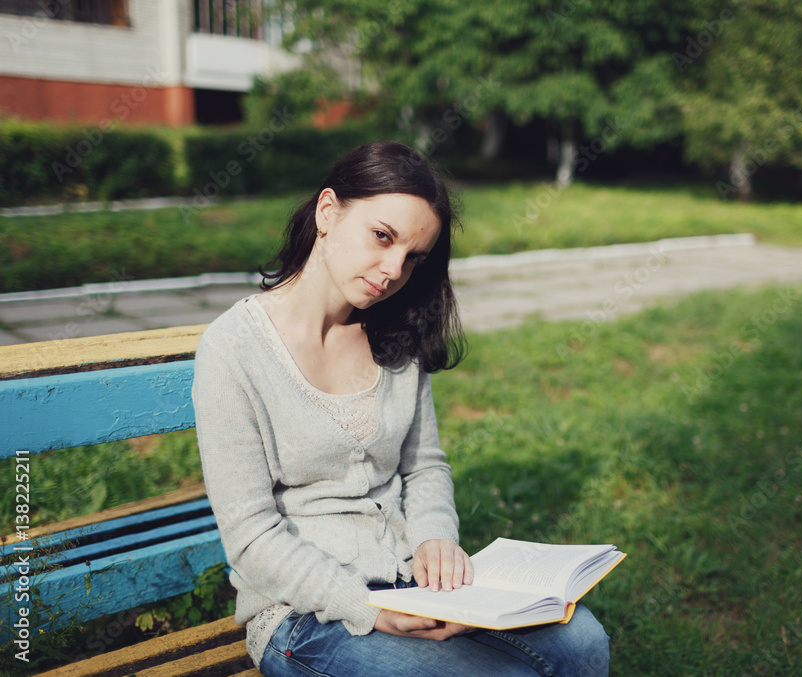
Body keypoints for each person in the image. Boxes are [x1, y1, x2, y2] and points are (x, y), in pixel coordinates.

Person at [191, 141, 610, 677]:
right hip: (305, 617)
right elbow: (252, 537)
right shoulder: (234, 349)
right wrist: (367, 606)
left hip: (415, 588)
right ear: (327, 212)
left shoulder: (396, 331)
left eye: (413, 257)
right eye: (382, 237)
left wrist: (436, 538)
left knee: (583, 642)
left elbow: (424, 464)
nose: (392, 270)